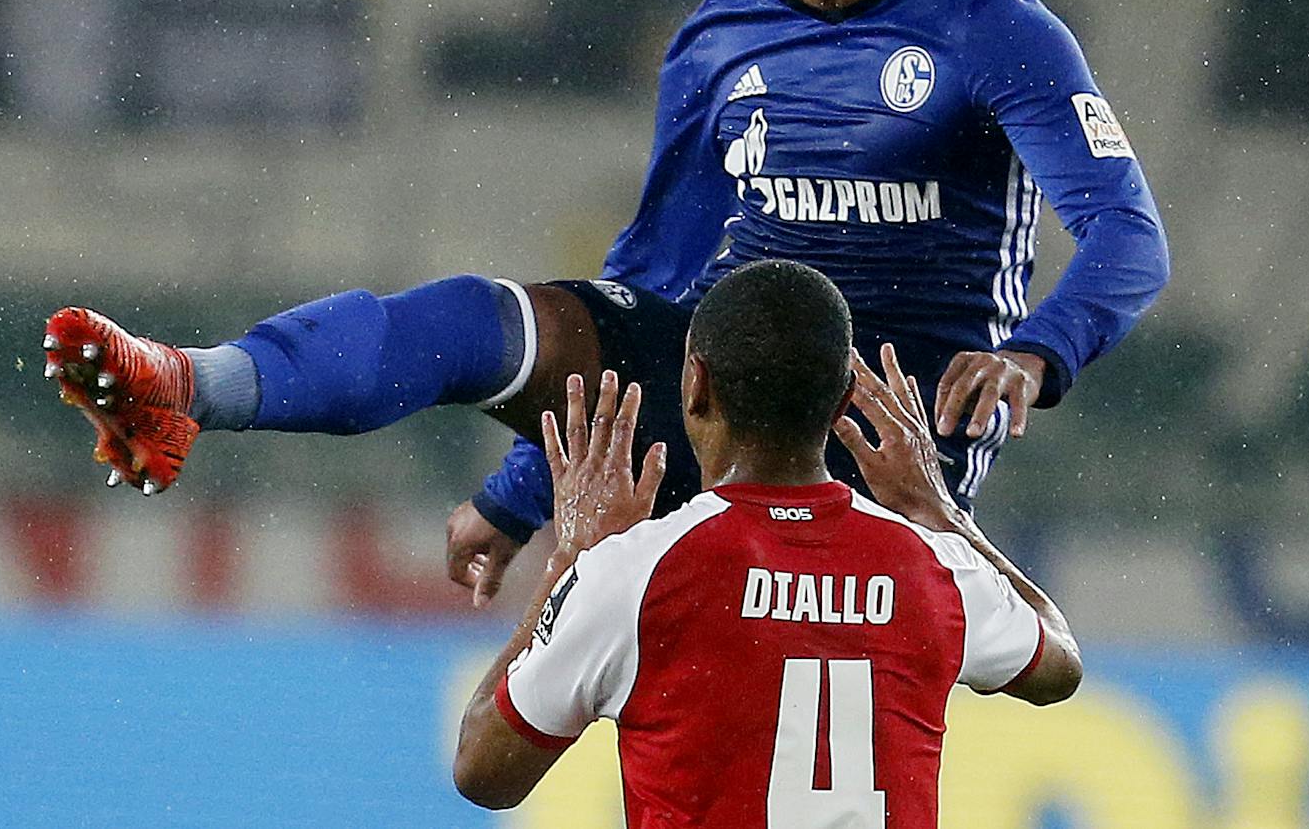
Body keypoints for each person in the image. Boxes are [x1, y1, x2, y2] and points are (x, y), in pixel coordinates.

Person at [42, 0, 1167, 599]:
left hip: (882, 451)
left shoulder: (996, 31)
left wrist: (1033, 353)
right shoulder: (718, 40)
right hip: (719, 402)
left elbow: (1126, 237)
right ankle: (192, 385)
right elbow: (648, 285)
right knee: (490, 320)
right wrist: (517, 495)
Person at [453, 260, 1082, 827]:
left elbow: (483, 772)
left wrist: (569, 560)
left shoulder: (633, 574)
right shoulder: (931, 567)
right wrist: (938, 510)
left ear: (694, 385)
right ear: (842, 403)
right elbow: (1059, 662)